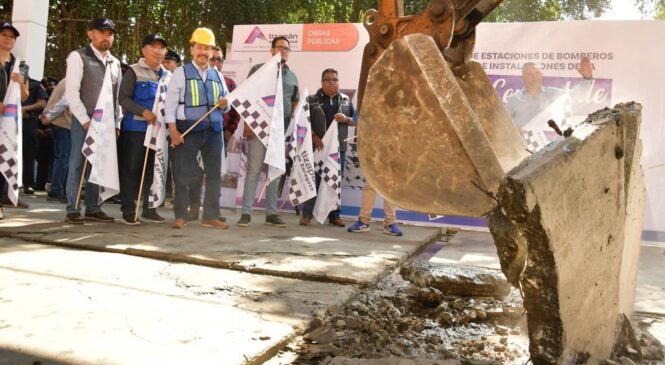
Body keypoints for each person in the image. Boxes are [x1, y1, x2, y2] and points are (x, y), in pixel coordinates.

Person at [165, 27, 230, 229]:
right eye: (200, 47)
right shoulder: (180, 73)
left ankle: (210, 215)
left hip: (213, 132)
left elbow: (228, 104)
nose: (204, 52)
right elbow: (170, 105)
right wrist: (173, 131)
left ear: (212, 52)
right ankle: (181, 215)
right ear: (192, 48)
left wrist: (224, 103)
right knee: (183, 173)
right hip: (187, 130)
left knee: (214, 174)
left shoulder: (218, 75)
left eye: (207, 48)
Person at [63, 17, 122, 225]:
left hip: (106, 123)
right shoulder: (78, 56)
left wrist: (117, 123)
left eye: (110, 33)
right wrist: (86, 121)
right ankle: (73, 207)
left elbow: (117, 98)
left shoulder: (115, 63)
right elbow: (72, 93)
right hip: (84, 121)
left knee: (99, 165)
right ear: (91, 33)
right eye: (102, 32)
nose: (107, 37)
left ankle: (93, 207)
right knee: (78, 163)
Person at [237, 36, 299, 228]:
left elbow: (294, 99)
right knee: (254, 170)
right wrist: (247, 122)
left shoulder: (292, 76)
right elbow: (246, 94)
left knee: (276, 172)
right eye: (280, 47)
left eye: (287, 49)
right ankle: (246, 213)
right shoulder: (258, 70)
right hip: (258, 128)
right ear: (271, 50)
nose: (284, 51)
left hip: (280, 133)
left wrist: (292, 119)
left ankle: (271, 213)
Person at [118, 34, 171, 225]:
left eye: (162, 48)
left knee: (152, 169)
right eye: (154, 47)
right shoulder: (133, 71)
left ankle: (150, 209)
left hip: (159, 132)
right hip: (136, 128)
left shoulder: (168, 76)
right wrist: (143, 111)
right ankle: (128, 209)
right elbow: (123, 98)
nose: (158, 51)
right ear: (144, 50)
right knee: (131, 168)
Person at [300, 68, 354, 227]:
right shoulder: (312, 100)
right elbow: (303, 123)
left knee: (334, 182)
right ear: (322, 82)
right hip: (317, 147)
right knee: (313, 181)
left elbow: (355, 121)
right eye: (328, 80)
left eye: (335, 80)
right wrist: (314, 137)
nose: (332, 83)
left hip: (339, 149)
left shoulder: (345, 100)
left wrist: (346, 118)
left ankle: (334, 216)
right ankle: (307, 214)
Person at [505, 57, 593, 129]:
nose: (534, 77)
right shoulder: (514, 99)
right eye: (529, 74)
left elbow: (576, 95)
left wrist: (587, 78)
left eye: (537, 73)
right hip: (520, 148)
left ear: (541, 75)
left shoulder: (553, 94)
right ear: (523, 77)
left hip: (550, 149)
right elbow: (502, 125)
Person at [0, 20, 30, 219]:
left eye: (12, 36)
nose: (9, 39)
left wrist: (21, 84)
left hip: (9, 121)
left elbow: (25, 96)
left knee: (5, 157)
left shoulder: (20, 65)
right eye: (4, 35)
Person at [40, 79, 71, 203]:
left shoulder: (65, 80)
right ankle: (57, 190)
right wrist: (49, 116)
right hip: (64, 123)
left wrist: (48, 115)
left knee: (61, 158)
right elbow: (65, 102)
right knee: (64, 158)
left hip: (59, 123)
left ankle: (58, 189)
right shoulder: (73, 81)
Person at [21, 78, 48, 194]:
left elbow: (42, 103)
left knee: (29, 154)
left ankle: (28, 184)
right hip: (9, 121)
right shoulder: (7, 81)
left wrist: (24, 108)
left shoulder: (35, 84)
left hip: (28, 122)